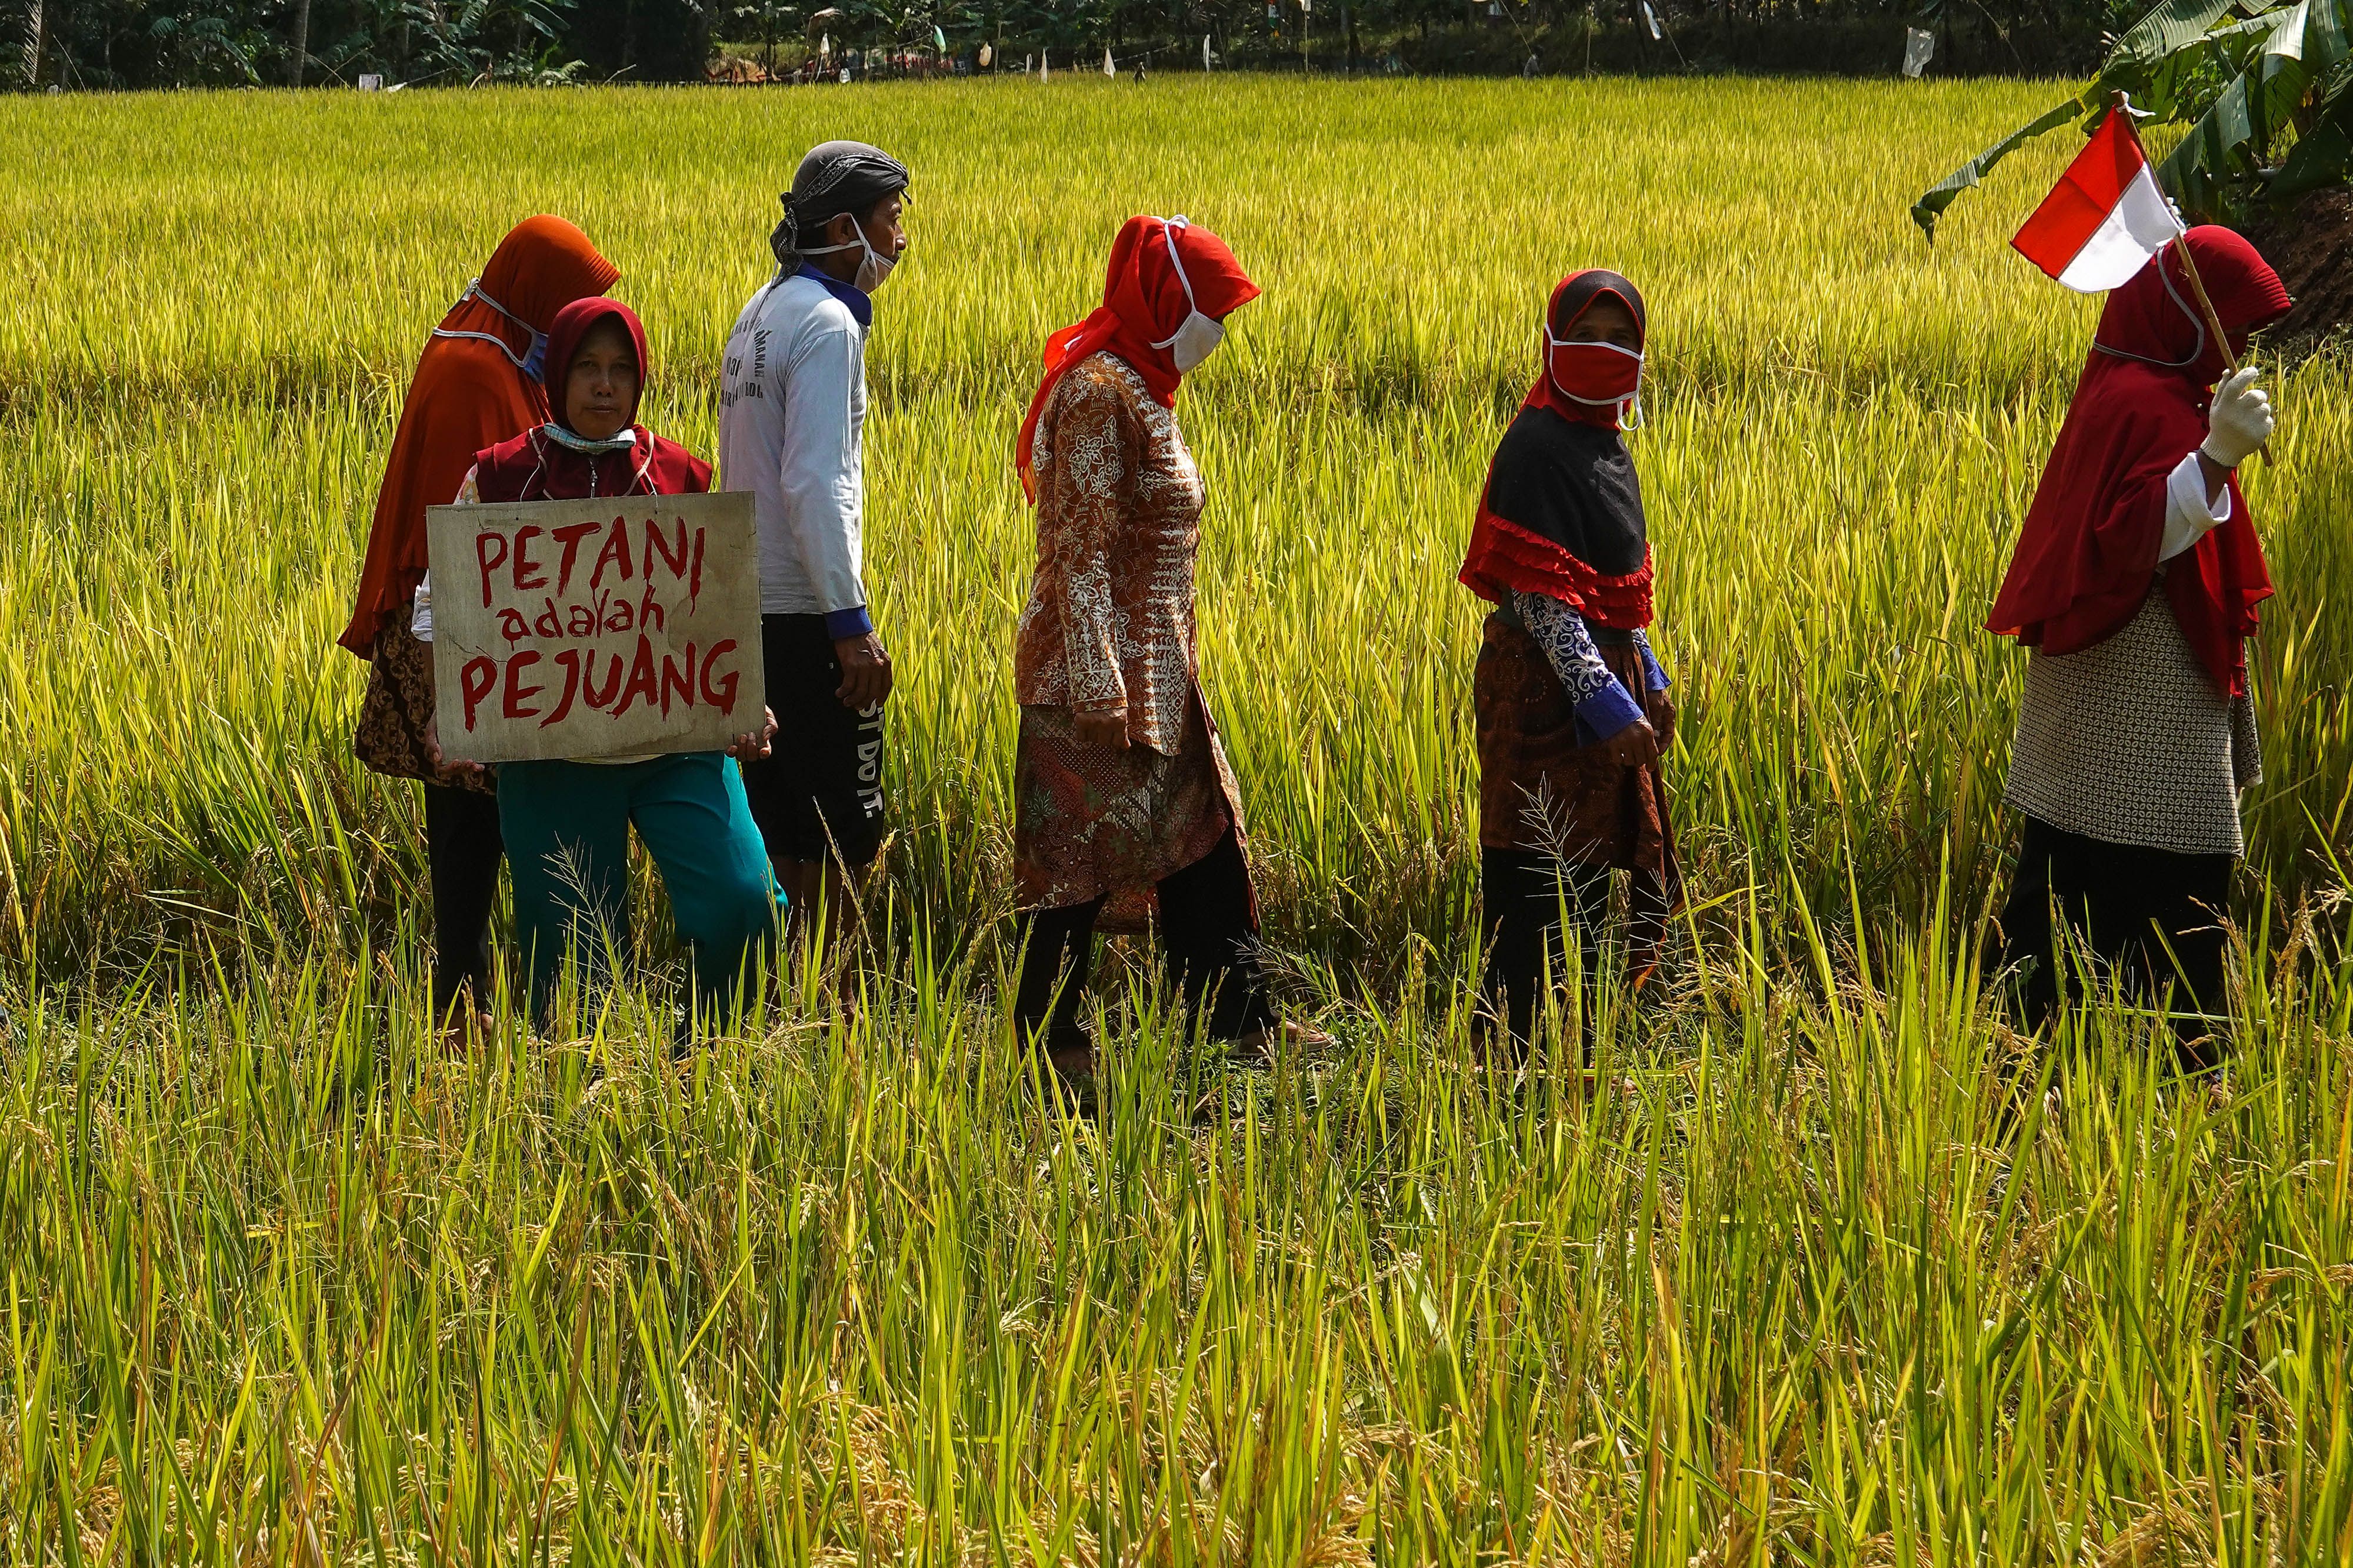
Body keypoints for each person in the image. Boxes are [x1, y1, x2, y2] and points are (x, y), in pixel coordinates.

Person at [1006, 213, 1325, 1090]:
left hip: (1161, 670)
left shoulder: (1144, 389)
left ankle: (1240, 1022)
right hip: (1090, 681)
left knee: (1201, 840)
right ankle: (1050, 1045)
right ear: (1163, 300)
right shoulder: (1099, 393)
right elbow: (1081, 544)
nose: (1217, 330)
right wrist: (1098, 684)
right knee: (1073, 866)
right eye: (1209, 308)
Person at [421, 298, 783, 1037]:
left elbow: (714, 602)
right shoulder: (498, 477)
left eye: (620, 369)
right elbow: (444, 600)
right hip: (554, 752)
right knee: (572, 955)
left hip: (674, 743)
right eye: (587, 367)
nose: (604, 385)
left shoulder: (677, 474)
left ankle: (707, 1065)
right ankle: (593, 1101)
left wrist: (748, 700)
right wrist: (447, 703)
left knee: (741, 902)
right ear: (556, 373)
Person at [1989, 227, 2287, 1067]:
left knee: (2081, 889)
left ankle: (2068, 1083)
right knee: (2146, 897)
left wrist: (2212, 448)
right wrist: (2216, 456)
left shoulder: (2157, 393)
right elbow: (2126, 545)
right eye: (2234, 323)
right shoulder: (2139, 403)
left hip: (2119, 711)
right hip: (2130, 704)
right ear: (2187, 315)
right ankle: (2146, 1093)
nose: (2244, 347)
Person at [340, 215, 619, 1027]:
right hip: (456, 632)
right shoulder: (474, 371)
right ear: (537, 292)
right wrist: (460, 680)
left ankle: (478, 1000)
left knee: (487, 822)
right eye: (574, 300)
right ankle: (465, 1005)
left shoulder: (488, 349)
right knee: (472, 826)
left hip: (481, 631)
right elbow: (466, 543)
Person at [1458, 269, 1679, 1059]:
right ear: (1552, 344)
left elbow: (1614, 593)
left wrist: (1647, 673)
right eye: (1588, 335)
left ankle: (1570, 1052)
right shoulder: (1537, 446)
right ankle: (1512, 1060)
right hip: (1540, 695)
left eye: (1623, 340)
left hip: (1596, 688)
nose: (1605, 353)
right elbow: (1547, 602)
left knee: (1586, 878)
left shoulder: (1605, 446)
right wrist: (1608, 703)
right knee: (1533, 876)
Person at [719, 141, 910, 957]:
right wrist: (850, 622)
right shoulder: (829, 323)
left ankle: (784, 998)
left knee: (784, 823)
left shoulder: (760, 310)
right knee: (840, 830)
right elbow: (814, 483)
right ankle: (830, 1008)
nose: (901, 238)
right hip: (809, 611)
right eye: (890, 218)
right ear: (843, 227)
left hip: (752, 606)